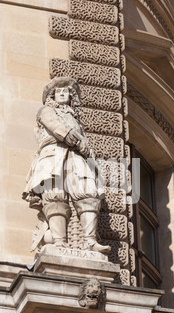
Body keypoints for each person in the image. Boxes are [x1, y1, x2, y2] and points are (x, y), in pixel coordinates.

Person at [23, 77, 110, 255]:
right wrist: (78, 141)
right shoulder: (46, 111)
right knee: (55, 197)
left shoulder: (75, 118)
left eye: (66, 91)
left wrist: (84, 148)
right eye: (58, 91)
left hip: (76, 157)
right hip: (53, 155)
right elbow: (56, 128)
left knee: (89, 194)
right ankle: (59, 242)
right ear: (52, 96)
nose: (62, 94)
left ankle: (90, 241)